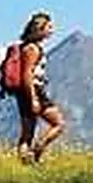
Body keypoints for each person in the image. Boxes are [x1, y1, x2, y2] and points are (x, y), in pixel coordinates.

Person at [14, 12, 65, 163]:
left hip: (24, 92)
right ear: (39, 29)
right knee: (58, 124)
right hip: (33, 91)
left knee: (27, 132)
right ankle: (37, 150)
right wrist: (34, 99)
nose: (52, 31)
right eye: (49, 27)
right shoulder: (32, 49)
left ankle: (25, 163)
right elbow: (27, 74)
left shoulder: (27, 47)